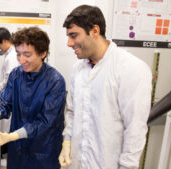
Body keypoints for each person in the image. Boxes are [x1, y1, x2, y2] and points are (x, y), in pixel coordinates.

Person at [58, 5, 152, 169]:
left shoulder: (131, 68)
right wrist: (67, 141)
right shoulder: (78, 70)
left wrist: (127, 167)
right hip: (77, 162)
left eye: (73, 35)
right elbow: (72, 111)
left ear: (94, 31)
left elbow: (135, 129)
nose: (69, 43)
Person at [0, 27, 66, 169]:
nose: (21, 60)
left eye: (27, 54)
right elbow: (6, 103)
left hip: (43, 149)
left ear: (43, 53)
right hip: (18, 148)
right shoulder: (16, 74)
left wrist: (15, 135)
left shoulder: (55, 81)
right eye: (18, 54)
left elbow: (45, 121)